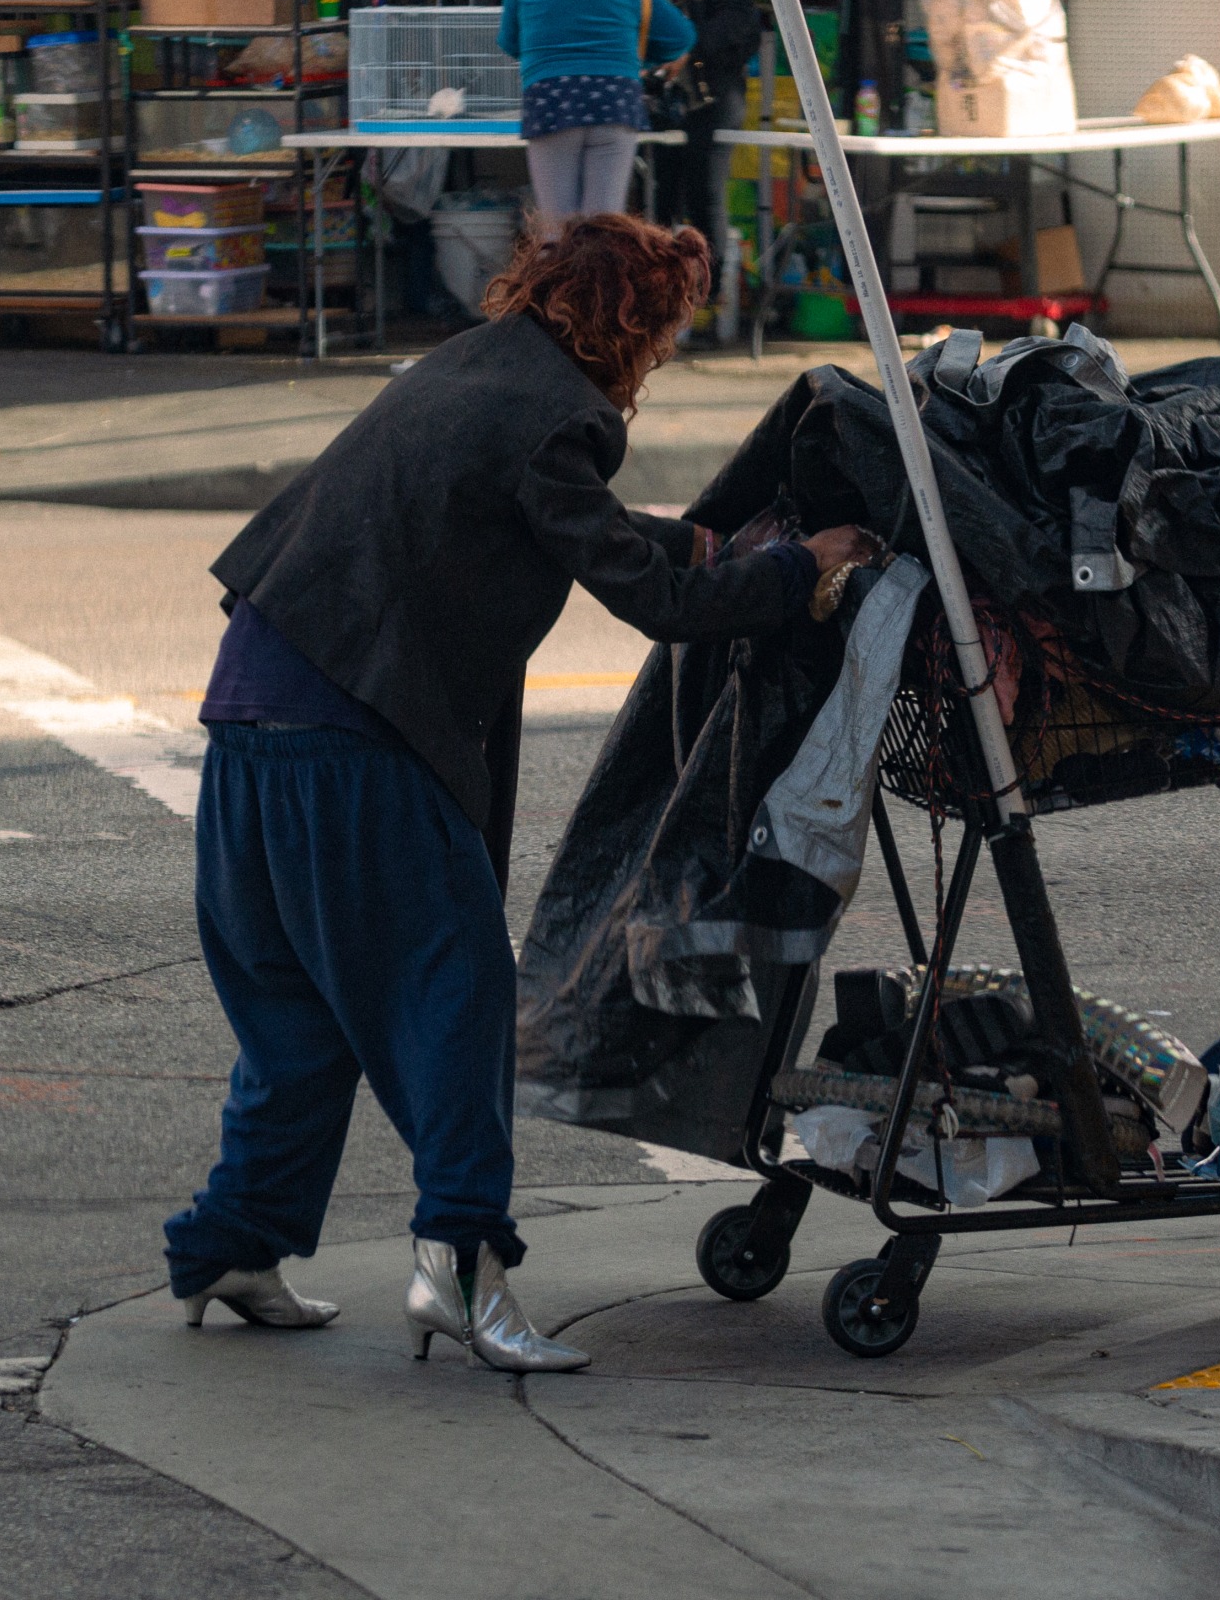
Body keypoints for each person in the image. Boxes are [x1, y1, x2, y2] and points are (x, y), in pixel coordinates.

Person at [163, 214, 873, 1374]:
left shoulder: (469, 367)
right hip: (356, 736)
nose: (661, 358)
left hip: (251, 712)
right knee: (458, 997)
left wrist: (704, 545)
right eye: (664, 333)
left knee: (299, 1016)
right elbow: (658, 607)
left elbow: (585, 534)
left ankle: (228, 1244)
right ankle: (461, 1265)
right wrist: (797, 567)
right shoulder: (558, 418)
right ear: (628, 328)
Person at [498, 0, 694, 223]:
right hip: (615, 102)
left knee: (558, 229)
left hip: (551, 101)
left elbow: (509, 41)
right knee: (603, 228)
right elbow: (681, 37)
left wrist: (545, 55)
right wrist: (639, 60)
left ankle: (560, 257)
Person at [617, 0, 761, 265]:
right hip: (657, 96)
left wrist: (688, 51)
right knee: (655, 201)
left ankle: (707, 289)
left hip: (710, 91)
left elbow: (739, 22)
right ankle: (661, 287)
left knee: (704, 195)